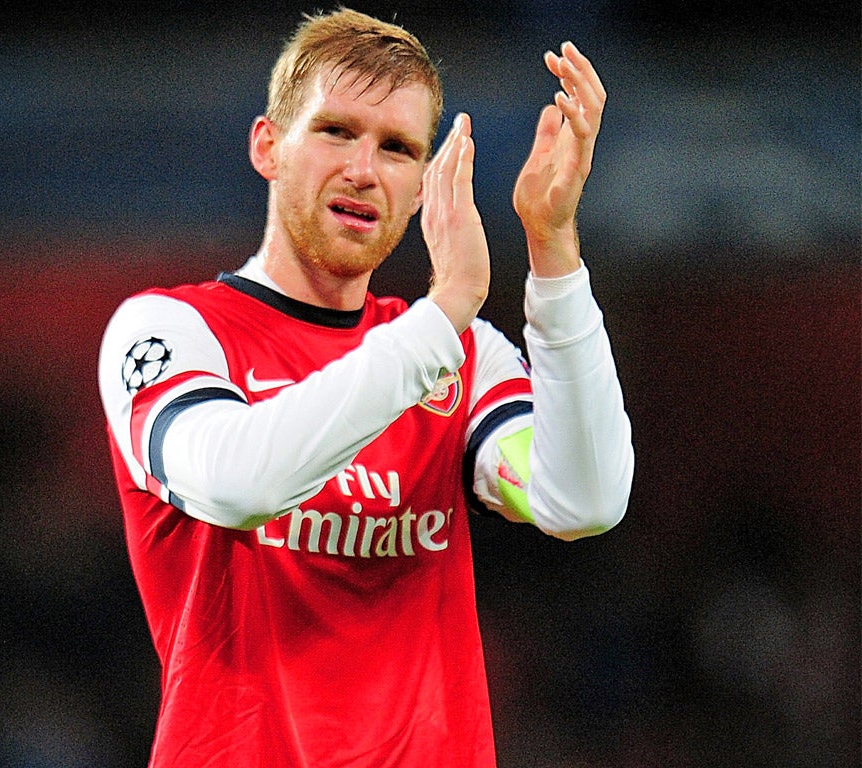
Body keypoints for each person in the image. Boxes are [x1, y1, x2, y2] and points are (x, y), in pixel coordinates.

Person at [98, 7, 634, 767]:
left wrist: (552, 249)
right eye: (335, 132)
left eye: (397, 148)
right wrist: (443, 314)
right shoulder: (169, 332)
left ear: (420, 187)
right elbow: (241, 482)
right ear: (269, 146)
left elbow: (583, 501)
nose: (363, 168)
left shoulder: (461, 360)